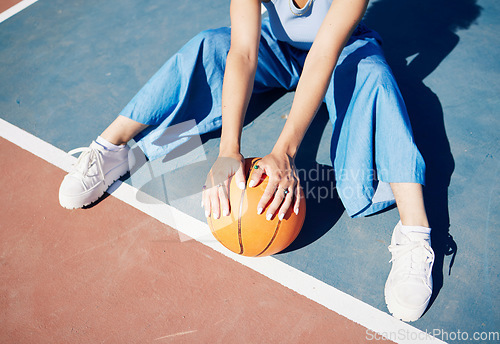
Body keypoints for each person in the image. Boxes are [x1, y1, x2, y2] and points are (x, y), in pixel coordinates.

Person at [59, 0, 435, 322]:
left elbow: (324, 52)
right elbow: (243, 51)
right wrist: (228, 150)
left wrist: (284, 152)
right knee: (209, 45)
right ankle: (113, 148)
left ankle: (415, 235)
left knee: (375, 78)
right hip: (278, 50)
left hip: (342, 53)